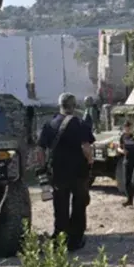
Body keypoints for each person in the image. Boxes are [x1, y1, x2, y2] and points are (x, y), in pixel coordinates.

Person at [37, 93, 95, 251]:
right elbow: (86, 148)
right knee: (79, 205)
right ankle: (75, 240)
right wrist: (90, 162)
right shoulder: (81, 124)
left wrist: (43, 168)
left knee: (60, 206)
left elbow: (40, 150)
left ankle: (59, 240)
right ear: (74, 105)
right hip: (79, 173)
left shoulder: (50, 125)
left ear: (60, 105)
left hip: (58, 173)